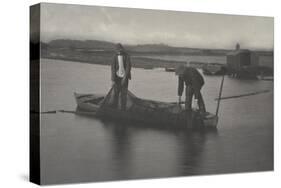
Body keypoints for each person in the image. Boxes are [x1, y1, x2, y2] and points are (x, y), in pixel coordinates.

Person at [111, 43, 132, 110]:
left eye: (120, 49)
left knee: (124, 94)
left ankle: (123, 109)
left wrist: (125, 78)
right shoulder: (114, 56)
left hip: (124, 77)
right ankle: (114, 109)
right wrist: (113, 80)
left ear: (122, 49)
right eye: (117, 50)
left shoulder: (127, 56)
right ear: (116, 50)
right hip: (117, 77)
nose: (119, 51)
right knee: (115, 94)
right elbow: (113, 68)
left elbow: (128, 67)